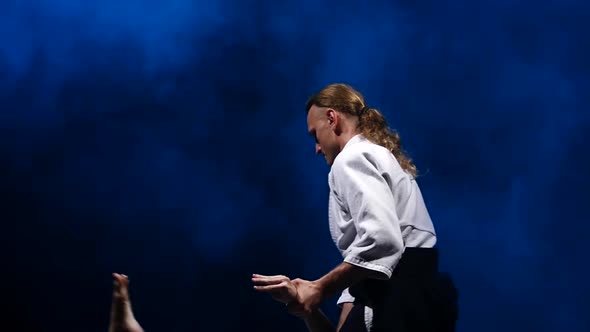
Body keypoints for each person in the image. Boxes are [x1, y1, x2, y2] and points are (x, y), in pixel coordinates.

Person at [252, 83, 458, 331]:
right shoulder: (381, 158)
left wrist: (318, 288)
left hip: (400, 303)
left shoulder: (351, 158)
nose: (317, 148)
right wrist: (306, 306)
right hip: (414, 303)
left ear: (332, 118)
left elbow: (382, 240)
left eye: (314, 135)